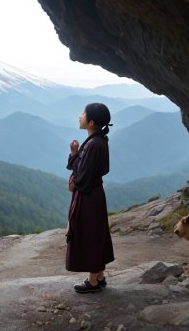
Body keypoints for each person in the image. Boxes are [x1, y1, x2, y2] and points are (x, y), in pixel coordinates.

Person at [65, 102, 115, 293]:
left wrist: (74, 180)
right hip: (94, 195)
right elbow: (86, 170)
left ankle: (92, 281)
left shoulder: (93, 144)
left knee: (90, 236)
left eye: (83, 114)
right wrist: (76, 154)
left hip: (88, 197)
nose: (80, 116)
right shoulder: (98, 141)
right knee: (96, 234)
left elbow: (83, 177)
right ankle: (99, 275)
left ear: (91, 122)